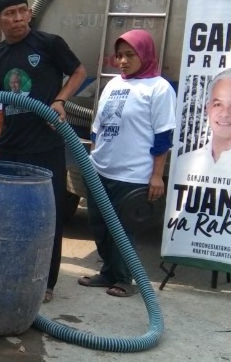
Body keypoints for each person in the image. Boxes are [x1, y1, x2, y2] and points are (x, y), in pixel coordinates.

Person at [0, 0, 87, 303]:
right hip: (12, 147)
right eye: (9, 14)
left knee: (48, 216)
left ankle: (46, 282)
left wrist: (59, 101)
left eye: (21, 11)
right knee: (11, 216)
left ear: (30, 14)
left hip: (46, 147)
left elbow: (79, 71)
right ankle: (13, 270)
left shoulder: (49, 44)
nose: (17, 19)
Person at [81, 29, 176, 298]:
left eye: (130, 55)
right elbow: (98, 127)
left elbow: (163, 136)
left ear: (144, 55)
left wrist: (157, 175)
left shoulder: (159, 89)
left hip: (133, 175)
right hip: (100, 169)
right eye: (119, 56)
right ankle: (108, 272)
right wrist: (95, 156)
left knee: (122, 230)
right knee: (99, 225)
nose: (123, 61)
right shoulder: (113, 85)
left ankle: (124, 278)